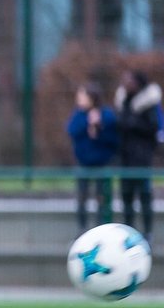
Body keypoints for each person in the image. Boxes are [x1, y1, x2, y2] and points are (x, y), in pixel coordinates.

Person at [114, 70, 160, 243]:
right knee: (126, 197)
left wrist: (133, 123)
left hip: (141, 159)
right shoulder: (123, 102)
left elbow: (153, 128)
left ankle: (148, 232)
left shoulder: (148, 106)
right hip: (125, 159)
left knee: (144, 196)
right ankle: (128, 231)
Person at [66, 82, 118, 232]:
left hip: (102, 164)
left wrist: (99, 127)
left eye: (82, 95)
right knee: (82, 198)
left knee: (102, 199)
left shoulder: (106, 115)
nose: (79, 98)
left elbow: (113, 140)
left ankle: (101, 230)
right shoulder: (79, 115)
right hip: (83, 163)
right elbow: (72, 131)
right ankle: (82, 230)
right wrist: (87, 123)